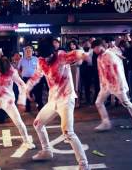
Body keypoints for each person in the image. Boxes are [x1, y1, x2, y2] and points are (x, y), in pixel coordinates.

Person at [26, 37, 89, 170]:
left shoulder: (61, 56)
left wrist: (84, 55)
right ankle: (47, 151)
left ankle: (84, 165)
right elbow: (36, 76)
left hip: (66, 99)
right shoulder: (41, 61)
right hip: (53, 100)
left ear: (53, 52)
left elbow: (76, 53)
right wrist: (27, 89)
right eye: (44, 56)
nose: (47, 59)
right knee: (37, 124)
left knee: (68, 132)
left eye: (49, 56)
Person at [0, 57, 35, 149]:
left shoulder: (12, 71)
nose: (1, 74)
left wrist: (22, 101)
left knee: (18, 121)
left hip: (8, 100)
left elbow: (21, 84)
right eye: (0, 72)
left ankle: (26, 141)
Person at [91, 39, 132, 131]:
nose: (94, 50)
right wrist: (102, 84)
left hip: (117, 84)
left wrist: (120, 85)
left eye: (94, 48)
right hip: (106, 85)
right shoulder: (99, 58)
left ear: (99, 46)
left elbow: (118, 71)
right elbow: (100, 73)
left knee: (126, 103)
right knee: (98, 102)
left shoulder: (110, 55)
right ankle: (105, 122)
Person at [18, 46, 42, 111]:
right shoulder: (21, 60)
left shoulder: (36, 59)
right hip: (25, 79)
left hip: (34, 80)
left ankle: (40, 107)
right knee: (26, 93)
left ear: (32, 52)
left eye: (30, 51)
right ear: (25, 52)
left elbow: (40, 69)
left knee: (37, 93)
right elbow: (19, 69)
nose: (28, 52)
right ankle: (28, 108)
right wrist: (21, 74)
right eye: (27, 51)